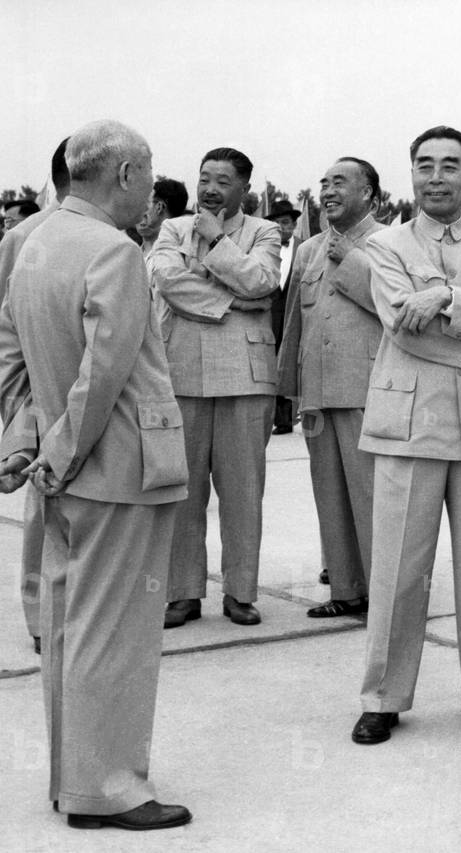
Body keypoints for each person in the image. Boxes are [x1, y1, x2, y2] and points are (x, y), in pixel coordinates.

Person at [0, 119, 191, 830]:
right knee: (114, 634)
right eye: (147, 175)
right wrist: (60, 453)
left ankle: (72, 777)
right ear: (124, 176)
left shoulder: (32, 241)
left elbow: (11, 356)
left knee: (72, 627)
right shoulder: (112, 251)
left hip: (68, 469)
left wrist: (26, 444)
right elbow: (104, 373)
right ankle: (107, 787)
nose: (148, 191)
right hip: (114, 471)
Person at [351, 126, 461, 745]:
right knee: (400, 571)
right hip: (411, 425)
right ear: (412, 176)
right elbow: (403, 325)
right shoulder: (386, 245)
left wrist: (448, 298)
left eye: (450, 166)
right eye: (424, 165)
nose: (436, 176)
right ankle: (383, 696)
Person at [150, 147, 281, 628]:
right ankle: (182, 593)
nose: (209, 189)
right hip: (179, 371)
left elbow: (264, 279)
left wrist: (217, 242)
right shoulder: (172, 229)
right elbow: (166, 279)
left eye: (222, 181)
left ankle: (240, 592)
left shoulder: (263, 231)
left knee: (243, 491)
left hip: (245, 378)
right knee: (182, 493)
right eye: (204, 178)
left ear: (244, 188)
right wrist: (235, 303)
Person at [277, 158, 384, 617]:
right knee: (330, 496)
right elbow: (294, 322)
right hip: (318, 389)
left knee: (372, 498)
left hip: (368, 390)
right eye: (324, 183)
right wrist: (288, 387)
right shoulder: (307, 249)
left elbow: (392, 307)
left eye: (340, 182)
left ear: (369, 195)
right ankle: (345, 589)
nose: (328, 190)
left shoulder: (387, 243)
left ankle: (385, 594)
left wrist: (352, 261)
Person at [0, 137, 71, 655]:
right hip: (42, 398)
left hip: (97, 397)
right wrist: (18, 418)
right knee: (43, 516)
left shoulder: (113, 233)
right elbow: (7, 336)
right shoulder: (24, 237)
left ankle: (77, 616)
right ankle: (41, 619)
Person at [267, 199, 301, 435]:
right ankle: (269, 416)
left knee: (288, 363)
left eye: (286, 223)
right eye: (277, 223)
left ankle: (286, 419)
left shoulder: (304, 248)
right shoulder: (264, 247)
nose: (282, 228)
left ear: (294, 225)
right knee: (269, 365)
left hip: (293, 316)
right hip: (268, 316)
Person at [136, 178, 188, 260]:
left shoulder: (176, 259)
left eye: (145, 202)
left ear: (159, 207)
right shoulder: (130, 255)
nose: (138, 209)